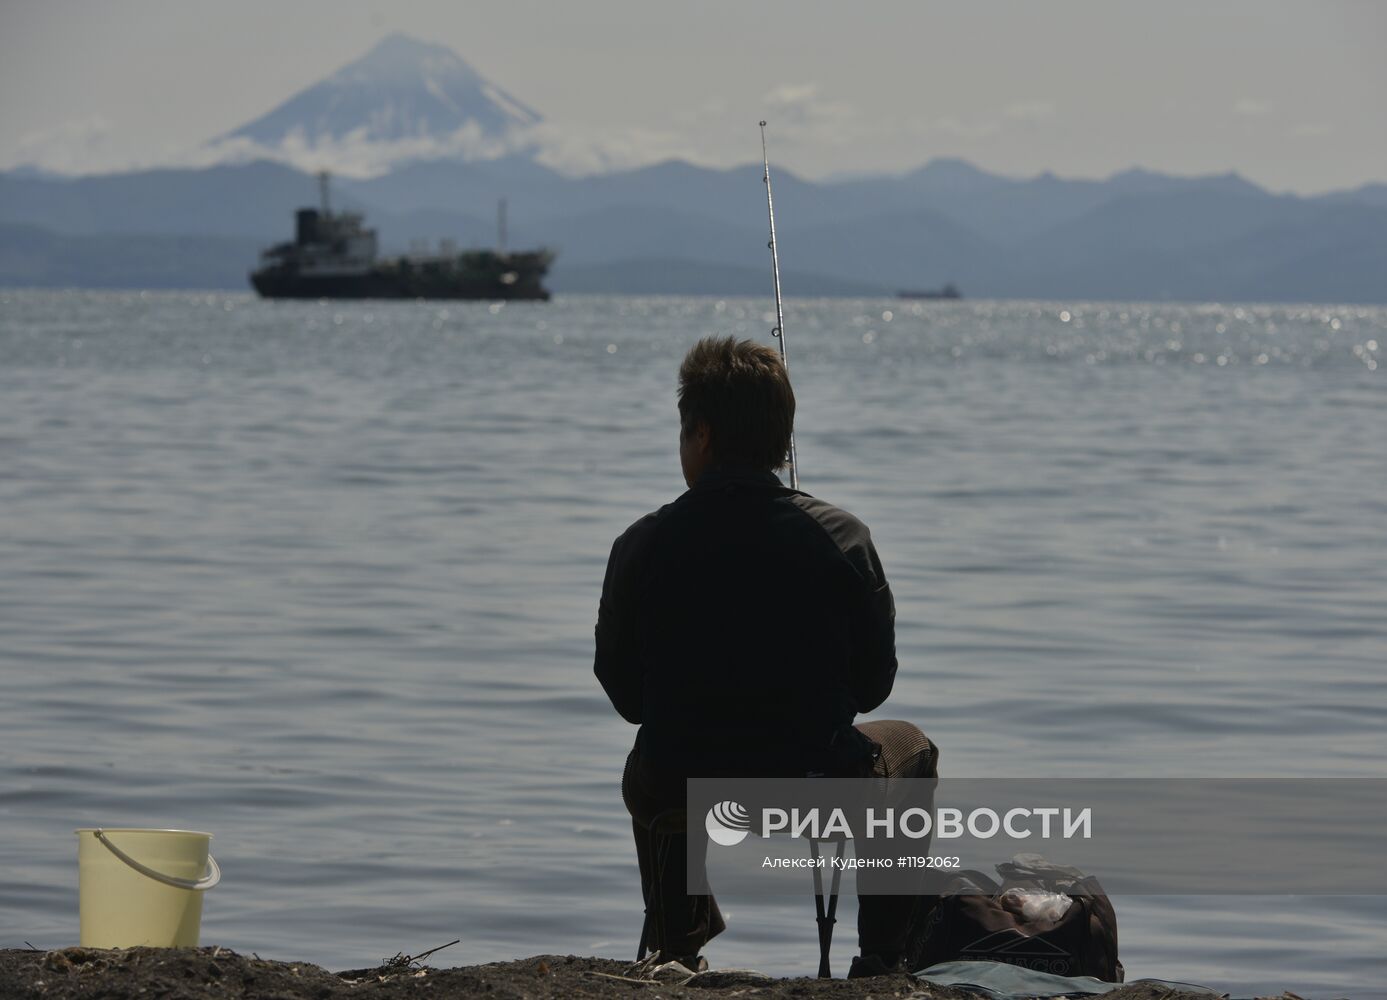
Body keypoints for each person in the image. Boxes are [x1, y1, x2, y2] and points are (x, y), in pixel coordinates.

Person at [594, 335, 938, 978]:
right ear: (782, 443)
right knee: (911, 748)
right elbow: (874, 684)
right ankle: (884, 959)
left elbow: (625, 697)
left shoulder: (640, 544)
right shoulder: (844, 538)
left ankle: (676, 945)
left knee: (649, 761)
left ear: (699, 436)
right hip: (816, 784)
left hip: (682, 786)